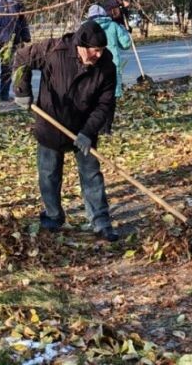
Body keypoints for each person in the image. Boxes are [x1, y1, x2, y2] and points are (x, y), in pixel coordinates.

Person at [12, 19, 119, 242]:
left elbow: (104, 104)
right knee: (49, 174)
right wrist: (22, 90)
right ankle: (53, 216)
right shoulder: (54, 50)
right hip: (51, 123)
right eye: (95, 51)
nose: (99, 55)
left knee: (91, 174)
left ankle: (100, 220)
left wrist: (88, 132)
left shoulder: (106, 65)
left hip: (84, 126)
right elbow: (21, 57)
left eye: (101, 50)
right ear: (81, 46)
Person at [86, 0, 133, 97]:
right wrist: (125, 31)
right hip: (113, 63)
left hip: (93, 62)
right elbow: (126, 44)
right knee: (114, 92)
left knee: (96, 90)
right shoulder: (113, 26)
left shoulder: (86, 28)